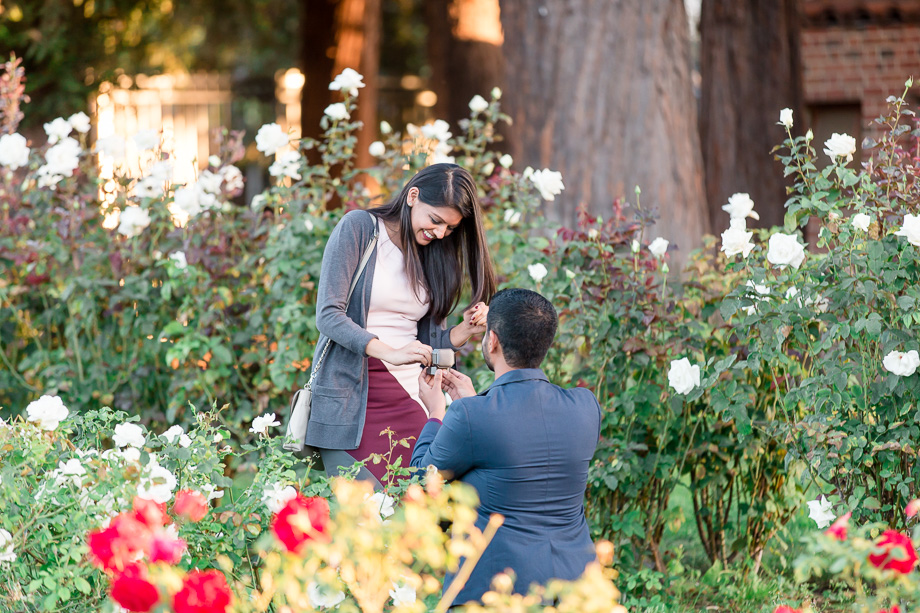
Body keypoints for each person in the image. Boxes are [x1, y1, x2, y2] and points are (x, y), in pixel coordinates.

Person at [305, 163, 496, 487]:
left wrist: (462, 332)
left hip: (413, 397)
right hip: (352, 399)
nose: (439, 234)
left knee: (414, 510)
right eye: (435, 220)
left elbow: (427, 340)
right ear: (412, 195)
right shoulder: (361, 228)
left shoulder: (433, 253)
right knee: (365, 515)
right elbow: (329, 315)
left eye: (449, 228)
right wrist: (389, 352)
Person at [412, 288, 601, 606]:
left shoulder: (472, 415)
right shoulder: (586, 406)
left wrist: (436, 413)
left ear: (493, 341)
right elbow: (521, 446)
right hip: (578, 589)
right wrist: (473, 407)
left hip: (498, 592)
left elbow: (420, 484)